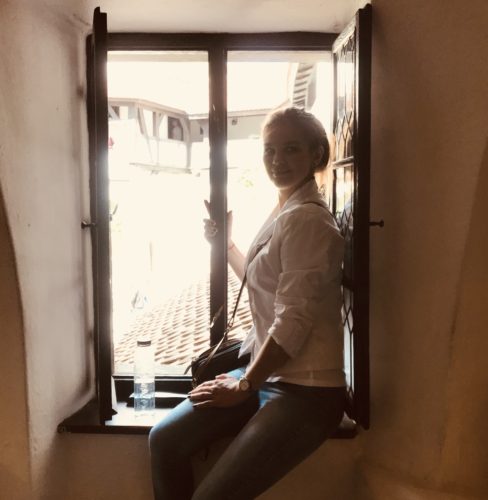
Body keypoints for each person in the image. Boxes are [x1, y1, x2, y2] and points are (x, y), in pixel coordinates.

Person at [149, 107, 346, 500]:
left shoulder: (307, 221)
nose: (277, 160)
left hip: (306, 393)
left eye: (291, 149)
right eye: (270, 150)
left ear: (317, 154)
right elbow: (262, 282)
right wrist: (225, 246)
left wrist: (244, 383)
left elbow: (292, 321)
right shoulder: (285, 210)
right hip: (267, 374)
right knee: (165, 440)